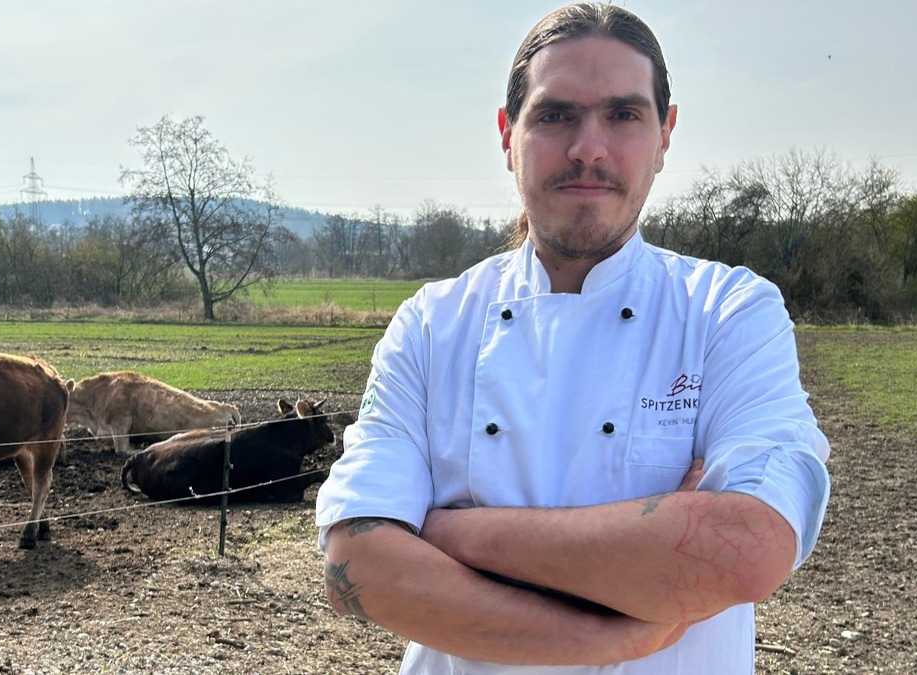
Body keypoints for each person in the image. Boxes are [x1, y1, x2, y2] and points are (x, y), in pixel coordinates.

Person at [314, 3, 831, 673]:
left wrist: (447, 529)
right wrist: (615, 637)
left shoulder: (728, 311)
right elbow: (356, 564)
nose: (589, 146)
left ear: (665, 135)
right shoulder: (432, 323)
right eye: (556, 115)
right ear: (508, 134)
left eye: (623, 114)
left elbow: (749, 547)